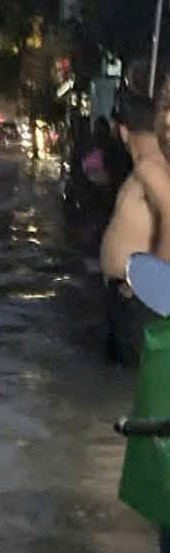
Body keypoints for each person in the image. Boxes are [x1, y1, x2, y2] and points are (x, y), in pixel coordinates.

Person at [100, 89, 163, 363]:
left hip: (140, 301)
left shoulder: (154, 169)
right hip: (128, 298)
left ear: (124, 131)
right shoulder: (146, 169)